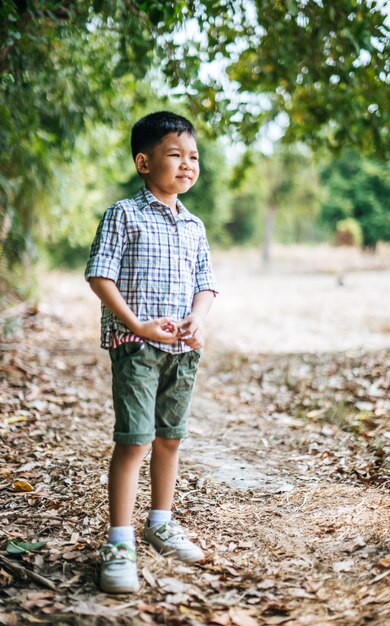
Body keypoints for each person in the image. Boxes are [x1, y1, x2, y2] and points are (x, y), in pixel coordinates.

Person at [85, 111, 218, 593]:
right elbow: (100, 274)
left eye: (193, 156)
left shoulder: (195, 225)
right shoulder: (124, 214)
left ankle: (160, 522)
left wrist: (198, 319)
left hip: (183, 350)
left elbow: (206, 285)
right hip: (136, 346)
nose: (187, 164)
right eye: (174, 155)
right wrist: (136, 323)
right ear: (144, 162)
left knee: (170, 438)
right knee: (135, 439)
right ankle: (119, 541)